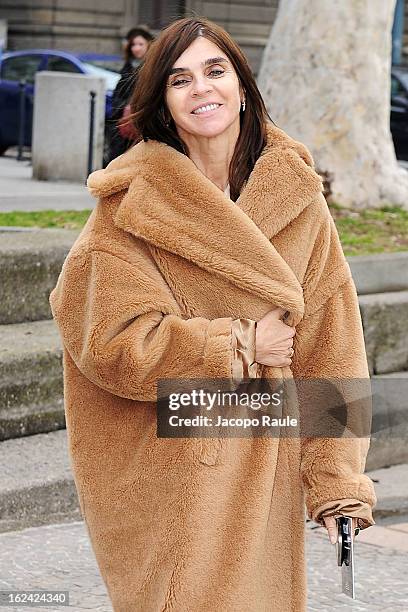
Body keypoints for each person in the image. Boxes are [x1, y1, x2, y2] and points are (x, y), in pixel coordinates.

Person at [50, 16, 377, 612]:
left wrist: (338, 485)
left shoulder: (298, 202)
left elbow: (334, 348)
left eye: (215, 70)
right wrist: (239, 343)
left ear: (243, 86)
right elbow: (108, 342)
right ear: (163, 104)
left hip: (262, 471)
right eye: (179, 79)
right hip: (173, 475)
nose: (201, 88)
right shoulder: (129, 207)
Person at [104, 26, 154, 165]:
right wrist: (123, 108)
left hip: (144, 123)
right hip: (124, 124)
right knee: (118, 160)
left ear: (149, 44)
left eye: (140, 44)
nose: (136, 48)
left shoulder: (153, 68)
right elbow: (118, 94)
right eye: (133, 45)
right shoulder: (128, 67)